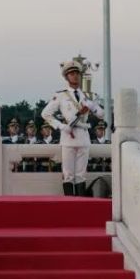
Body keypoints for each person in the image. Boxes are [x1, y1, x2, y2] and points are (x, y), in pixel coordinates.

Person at [41, 60, 104, 197]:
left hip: (83, 136)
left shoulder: (87, 95)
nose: (75, 76)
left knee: (81, 174)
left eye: (77, 73)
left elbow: (101, 114)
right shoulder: (61, 95)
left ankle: (81, 204)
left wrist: (93, 106)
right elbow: (45, 114)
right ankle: (69, 204)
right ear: (66, 77)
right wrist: (61, 126)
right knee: (68, 174)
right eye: (71, 74)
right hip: (68, 135)